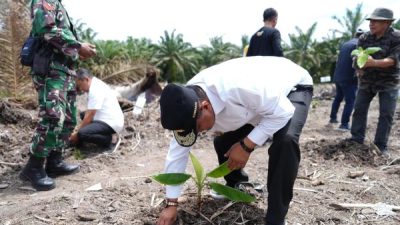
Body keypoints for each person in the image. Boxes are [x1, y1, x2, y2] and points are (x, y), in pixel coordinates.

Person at [157, 56, 313, 225]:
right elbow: (177, 153)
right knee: (223, 143)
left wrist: (247, 146)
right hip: (257, 104)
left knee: (286, 142)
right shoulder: (184, 103)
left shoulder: (240, 88)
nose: (198, 133)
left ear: (205, 107)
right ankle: (237, 185)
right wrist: (171, 203)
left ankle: (276, 218)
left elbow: (283, 112)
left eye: (198, 128)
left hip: (291, 88)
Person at [19, 0, 96, 191]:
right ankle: (34, 167)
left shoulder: (58, 4)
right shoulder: (44, 1)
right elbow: (48, 30)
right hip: (50, 70)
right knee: (53, 116)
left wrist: (78, 52)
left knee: (68, 119)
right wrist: (78, 46)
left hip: (65, 71)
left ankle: (54, 161)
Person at [349, 8, 400, 155]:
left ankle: (380, 145)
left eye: (375, 21)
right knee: (359, 109)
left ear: (387, 23)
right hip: (367, 80)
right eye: (370, 21)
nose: (371, 24)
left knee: (386, 113)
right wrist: (359, 67)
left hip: (389, 82)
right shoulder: (365, 38)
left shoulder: (397, 37)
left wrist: (373, 63)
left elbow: (393, 60)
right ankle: (356, 139)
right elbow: (357, 57)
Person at [69, 69, 124, 152]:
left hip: (111, 122)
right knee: (83, 115)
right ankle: (83, 139)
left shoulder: (95, 90)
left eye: (80, 85)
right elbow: (89, 112)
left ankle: (110, 140)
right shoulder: (95, 83)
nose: (80, 89)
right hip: (107, 118)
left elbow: (90, 115)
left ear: (86, 79)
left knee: (82, 133)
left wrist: (76, 134)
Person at [329, 30, 364, 130]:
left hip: (338, 76)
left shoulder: (345, 44)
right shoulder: (358, 45)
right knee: (350, 101)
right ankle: (344, 124)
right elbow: (357, 62)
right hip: (349, 77)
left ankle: (333, 118)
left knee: (338, 97)